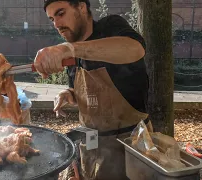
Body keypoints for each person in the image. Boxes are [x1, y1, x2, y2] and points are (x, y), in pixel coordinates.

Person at [33, 0, 152, 180]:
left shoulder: (110, 26)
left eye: (60, 13)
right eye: (51, 19)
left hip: (130, 147)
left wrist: (68, 49)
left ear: (81, 7)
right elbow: (82, 88)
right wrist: (69, 94)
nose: (56, 24)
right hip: (91, 146)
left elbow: (135, 49)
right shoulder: (73, 55)